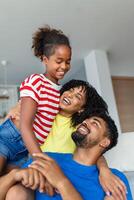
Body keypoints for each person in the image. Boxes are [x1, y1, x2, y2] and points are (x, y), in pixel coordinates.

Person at [0, 80, 127, 199]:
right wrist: (11, 115)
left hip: (53, 170)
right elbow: (11, 131)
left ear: (82, 109)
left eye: (78, 96)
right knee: (15, 186)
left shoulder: (78, 128)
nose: (71, 95)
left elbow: (93, 149)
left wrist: (104, 170)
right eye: (70, 90)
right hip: (31, 164)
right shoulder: (43, 115)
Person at [2, 113, 133, 200]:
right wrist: (14, 175)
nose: (85, 122)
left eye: (95, 123)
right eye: (86, 119)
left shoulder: (115, 180)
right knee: (17, 191)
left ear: (105, 142)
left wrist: (61, 182)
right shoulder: (46, 158)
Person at [0, 25, 72, 174]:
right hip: (10, 139)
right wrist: (41, 161)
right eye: (59, 61)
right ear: (45, 59)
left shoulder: (62, 93)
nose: (64, 66)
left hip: (26, 150)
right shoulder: (36, 81)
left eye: (68, 61)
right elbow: (26, 126)